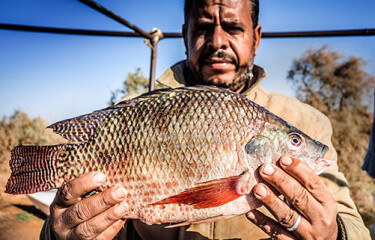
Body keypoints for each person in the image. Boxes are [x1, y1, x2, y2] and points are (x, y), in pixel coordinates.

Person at [40, 0, 371, 239]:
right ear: (185, 35)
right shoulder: (132, 111)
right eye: (202, 28)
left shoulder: (307, 121)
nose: (217, 42)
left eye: (233, 27)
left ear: (255, 38)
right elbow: (74, 218)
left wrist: (334, 234)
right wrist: (59, 233)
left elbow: (355, 228)